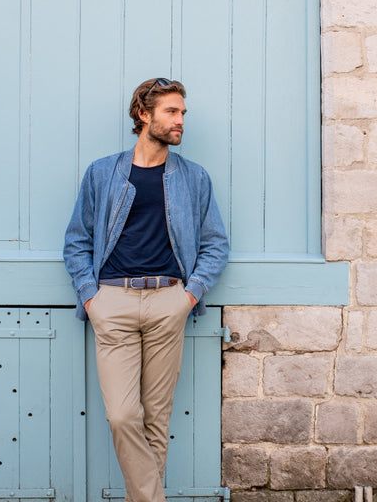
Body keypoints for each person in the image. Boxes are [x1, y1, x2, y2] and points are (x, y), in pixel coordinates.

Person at [63, 78, 229, 502]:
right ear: (143, 114)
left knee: (156, 419)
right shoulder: (103, 173)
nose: (180, 121)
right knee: (122, 415)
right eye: (172, 112)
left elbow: (216, 244)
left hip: (168, 302)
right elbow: (77, 240)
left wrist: (188, 296)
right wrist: (90, 296)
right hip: (112, 302)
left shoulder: (193, 178)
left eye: (183, 114)